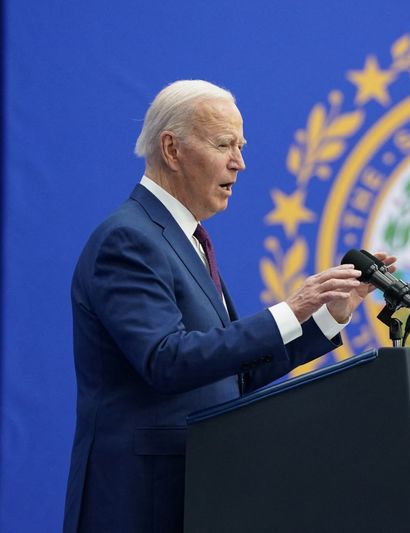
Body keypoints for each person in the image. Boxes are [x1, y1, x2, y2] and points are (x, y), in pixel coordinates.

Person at [63, 80, 390, 532]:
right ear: (172, 149)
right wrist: (290, 309)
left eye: (240, 145)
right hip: (142, 503)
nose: (240, 162)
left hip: (201, 493)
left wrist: (326, 315)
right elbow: (166, 360)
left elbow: (234, 373)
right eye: (224, 145)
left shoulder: (187, 238)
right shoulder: (128, 239)